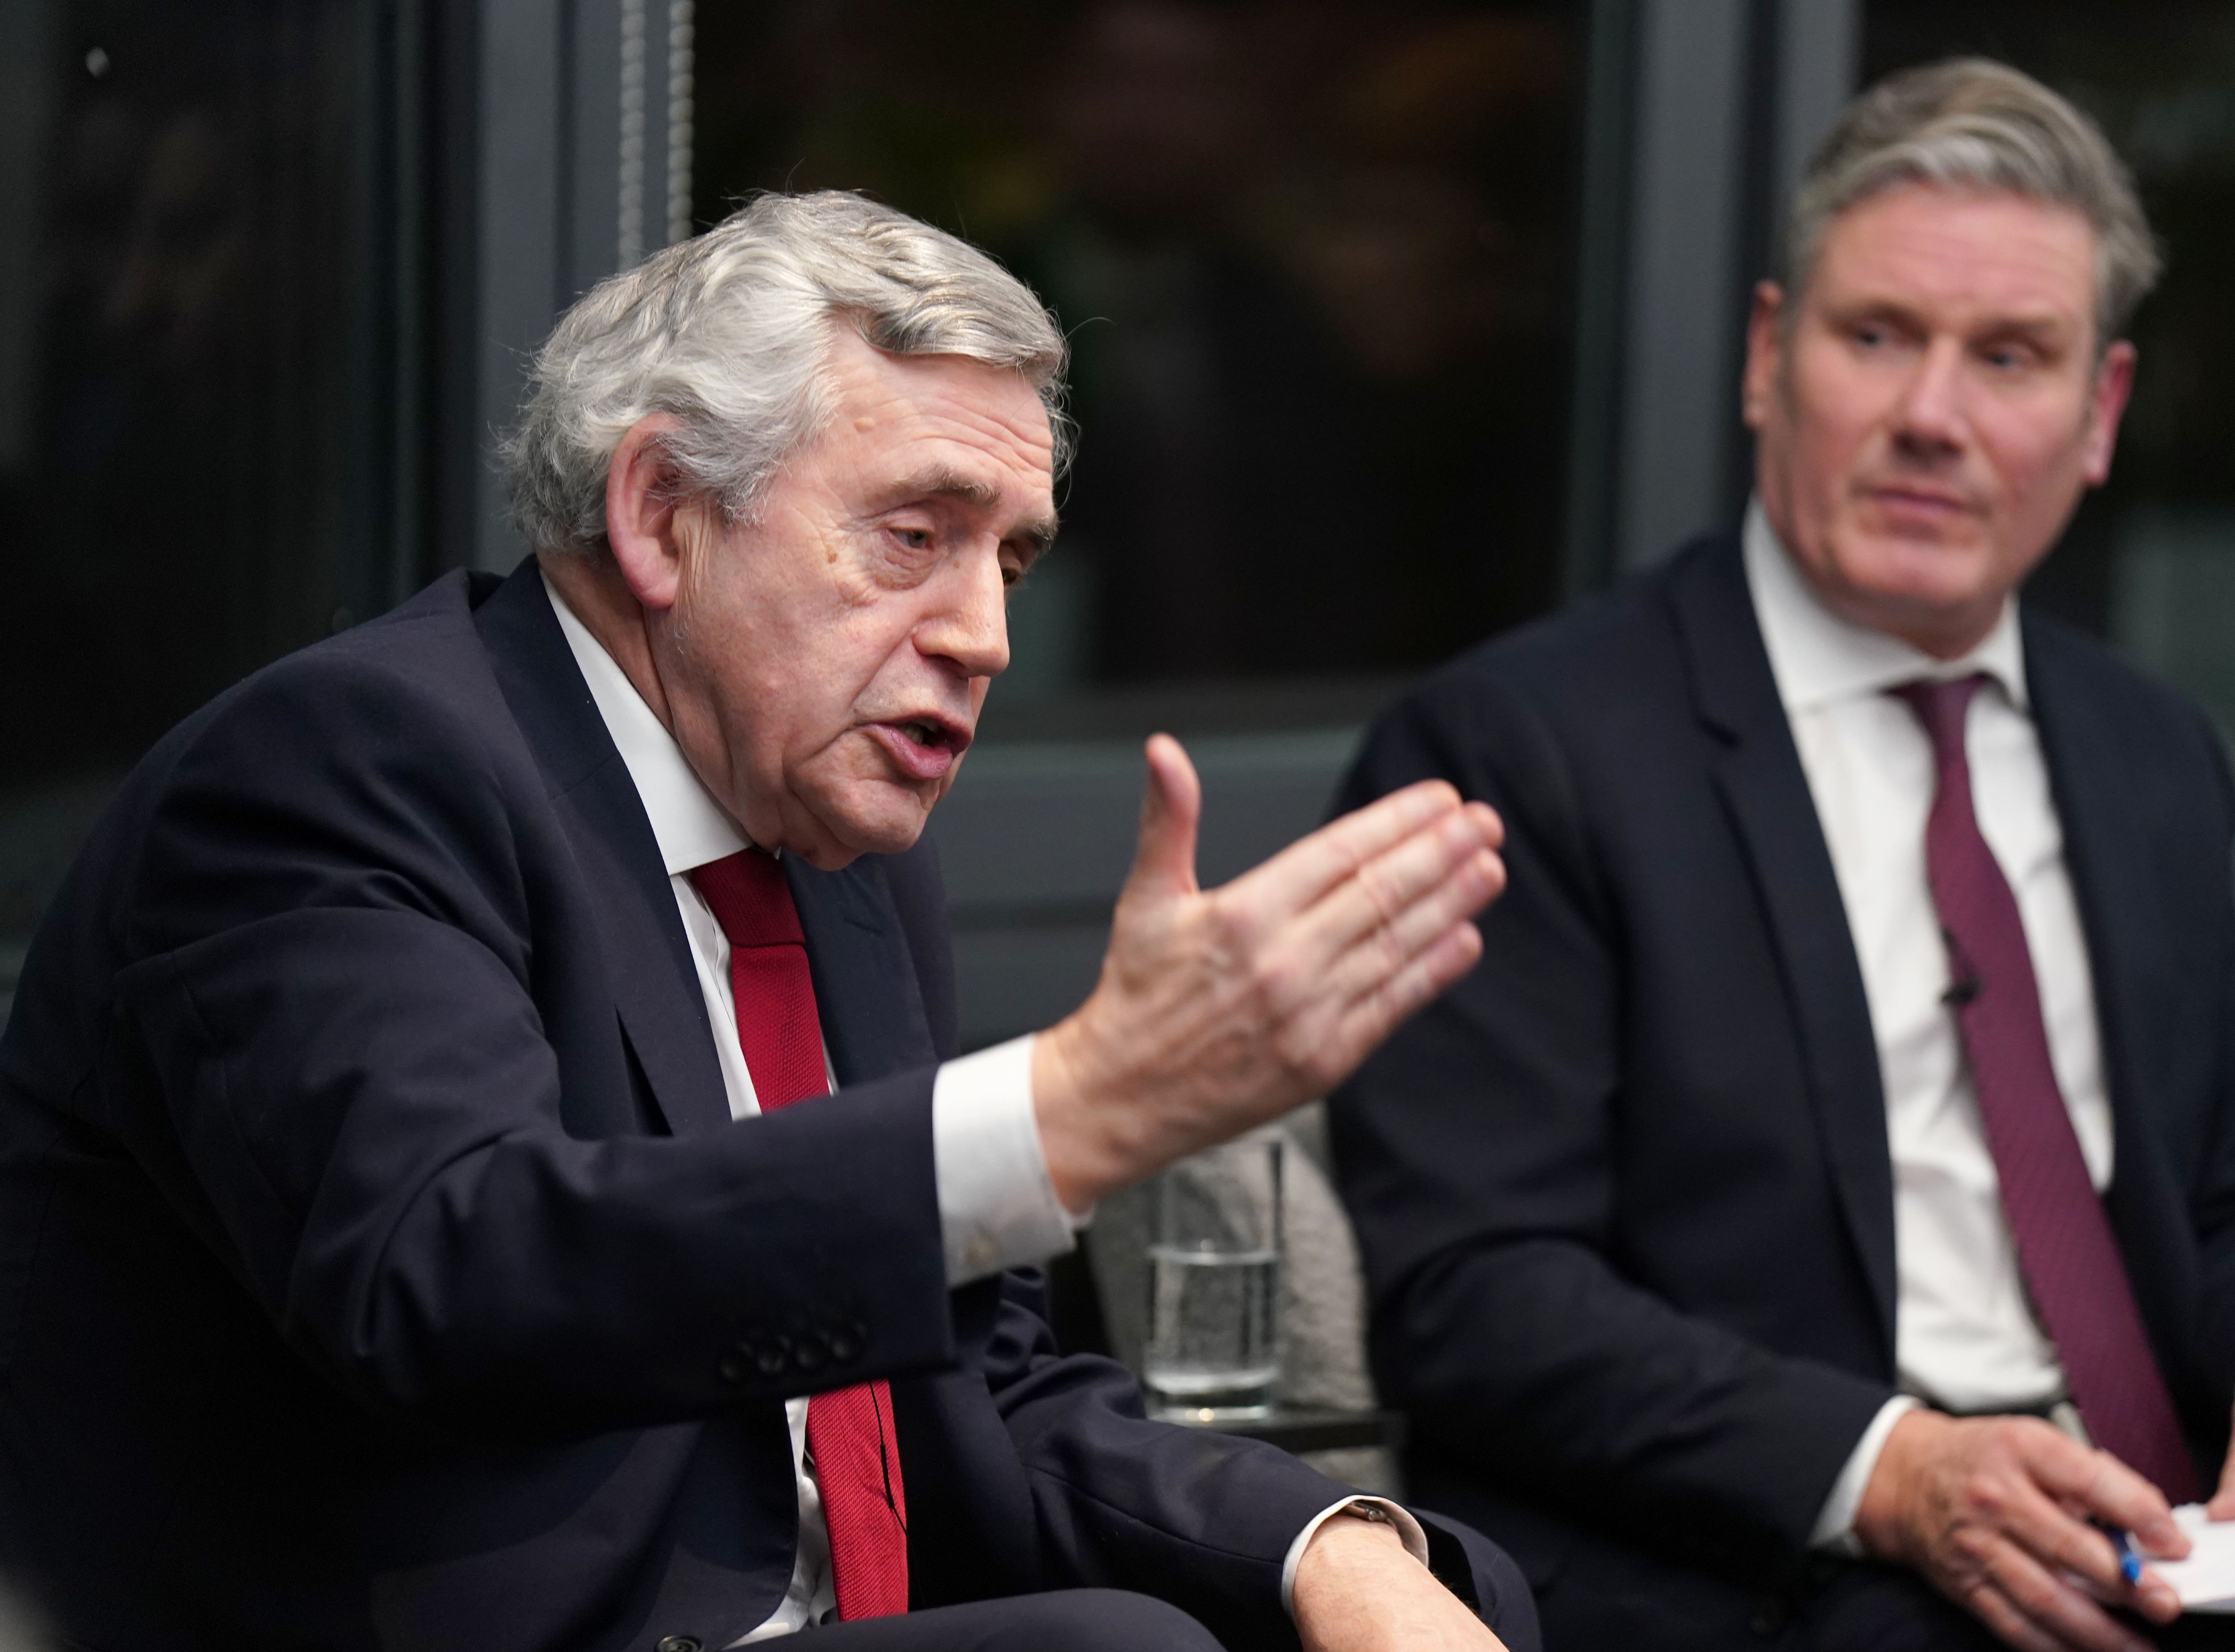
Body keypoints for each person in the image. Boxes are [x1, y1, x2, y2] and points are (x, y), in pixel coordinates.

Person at [0, 191, 1536, 1652]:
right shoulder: (352, 768)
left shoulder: (837, 851)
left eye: (1011, 558)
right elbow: (453, 1279)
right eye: (913, 536)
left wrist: (1322, 1543)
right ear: (664, 514)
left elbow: (967, 1383)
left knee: (1437, 1602)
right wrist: (1070, 1111)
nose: (985, 637)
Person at [1328, 60, 2235, 1652]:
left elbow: (2229, 1194)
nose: (1932, 417)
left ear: (2100, 415)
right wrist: (1890, 1472)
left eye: (2009, 357)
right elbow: (1470, 1290)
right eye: (1877, 338)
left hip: (2173, 1539)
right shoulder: (1517, 752)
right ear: (1762, 357)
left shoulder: (2152, 753)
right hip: (1781, 1562)